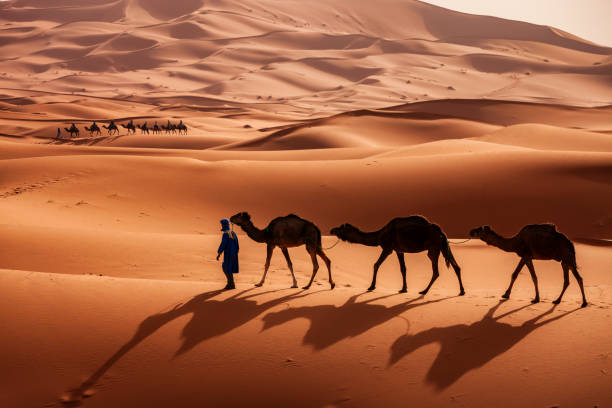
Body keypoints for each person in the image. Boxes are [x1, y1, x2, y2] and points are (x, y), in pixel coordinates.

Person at [216, 219, 239, 290]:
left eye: (222, 224)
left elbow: (223, 244)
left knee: (225, 267)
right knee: (228, 268)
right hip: (233, 253)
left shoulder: (226, 234)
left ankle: (231, 284)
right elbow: (237, 243)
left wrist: (219, 253)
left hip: (229, 253)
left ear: (223, 225)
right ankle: (230, 284)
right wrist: (235, 252)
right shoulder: (233, 232)